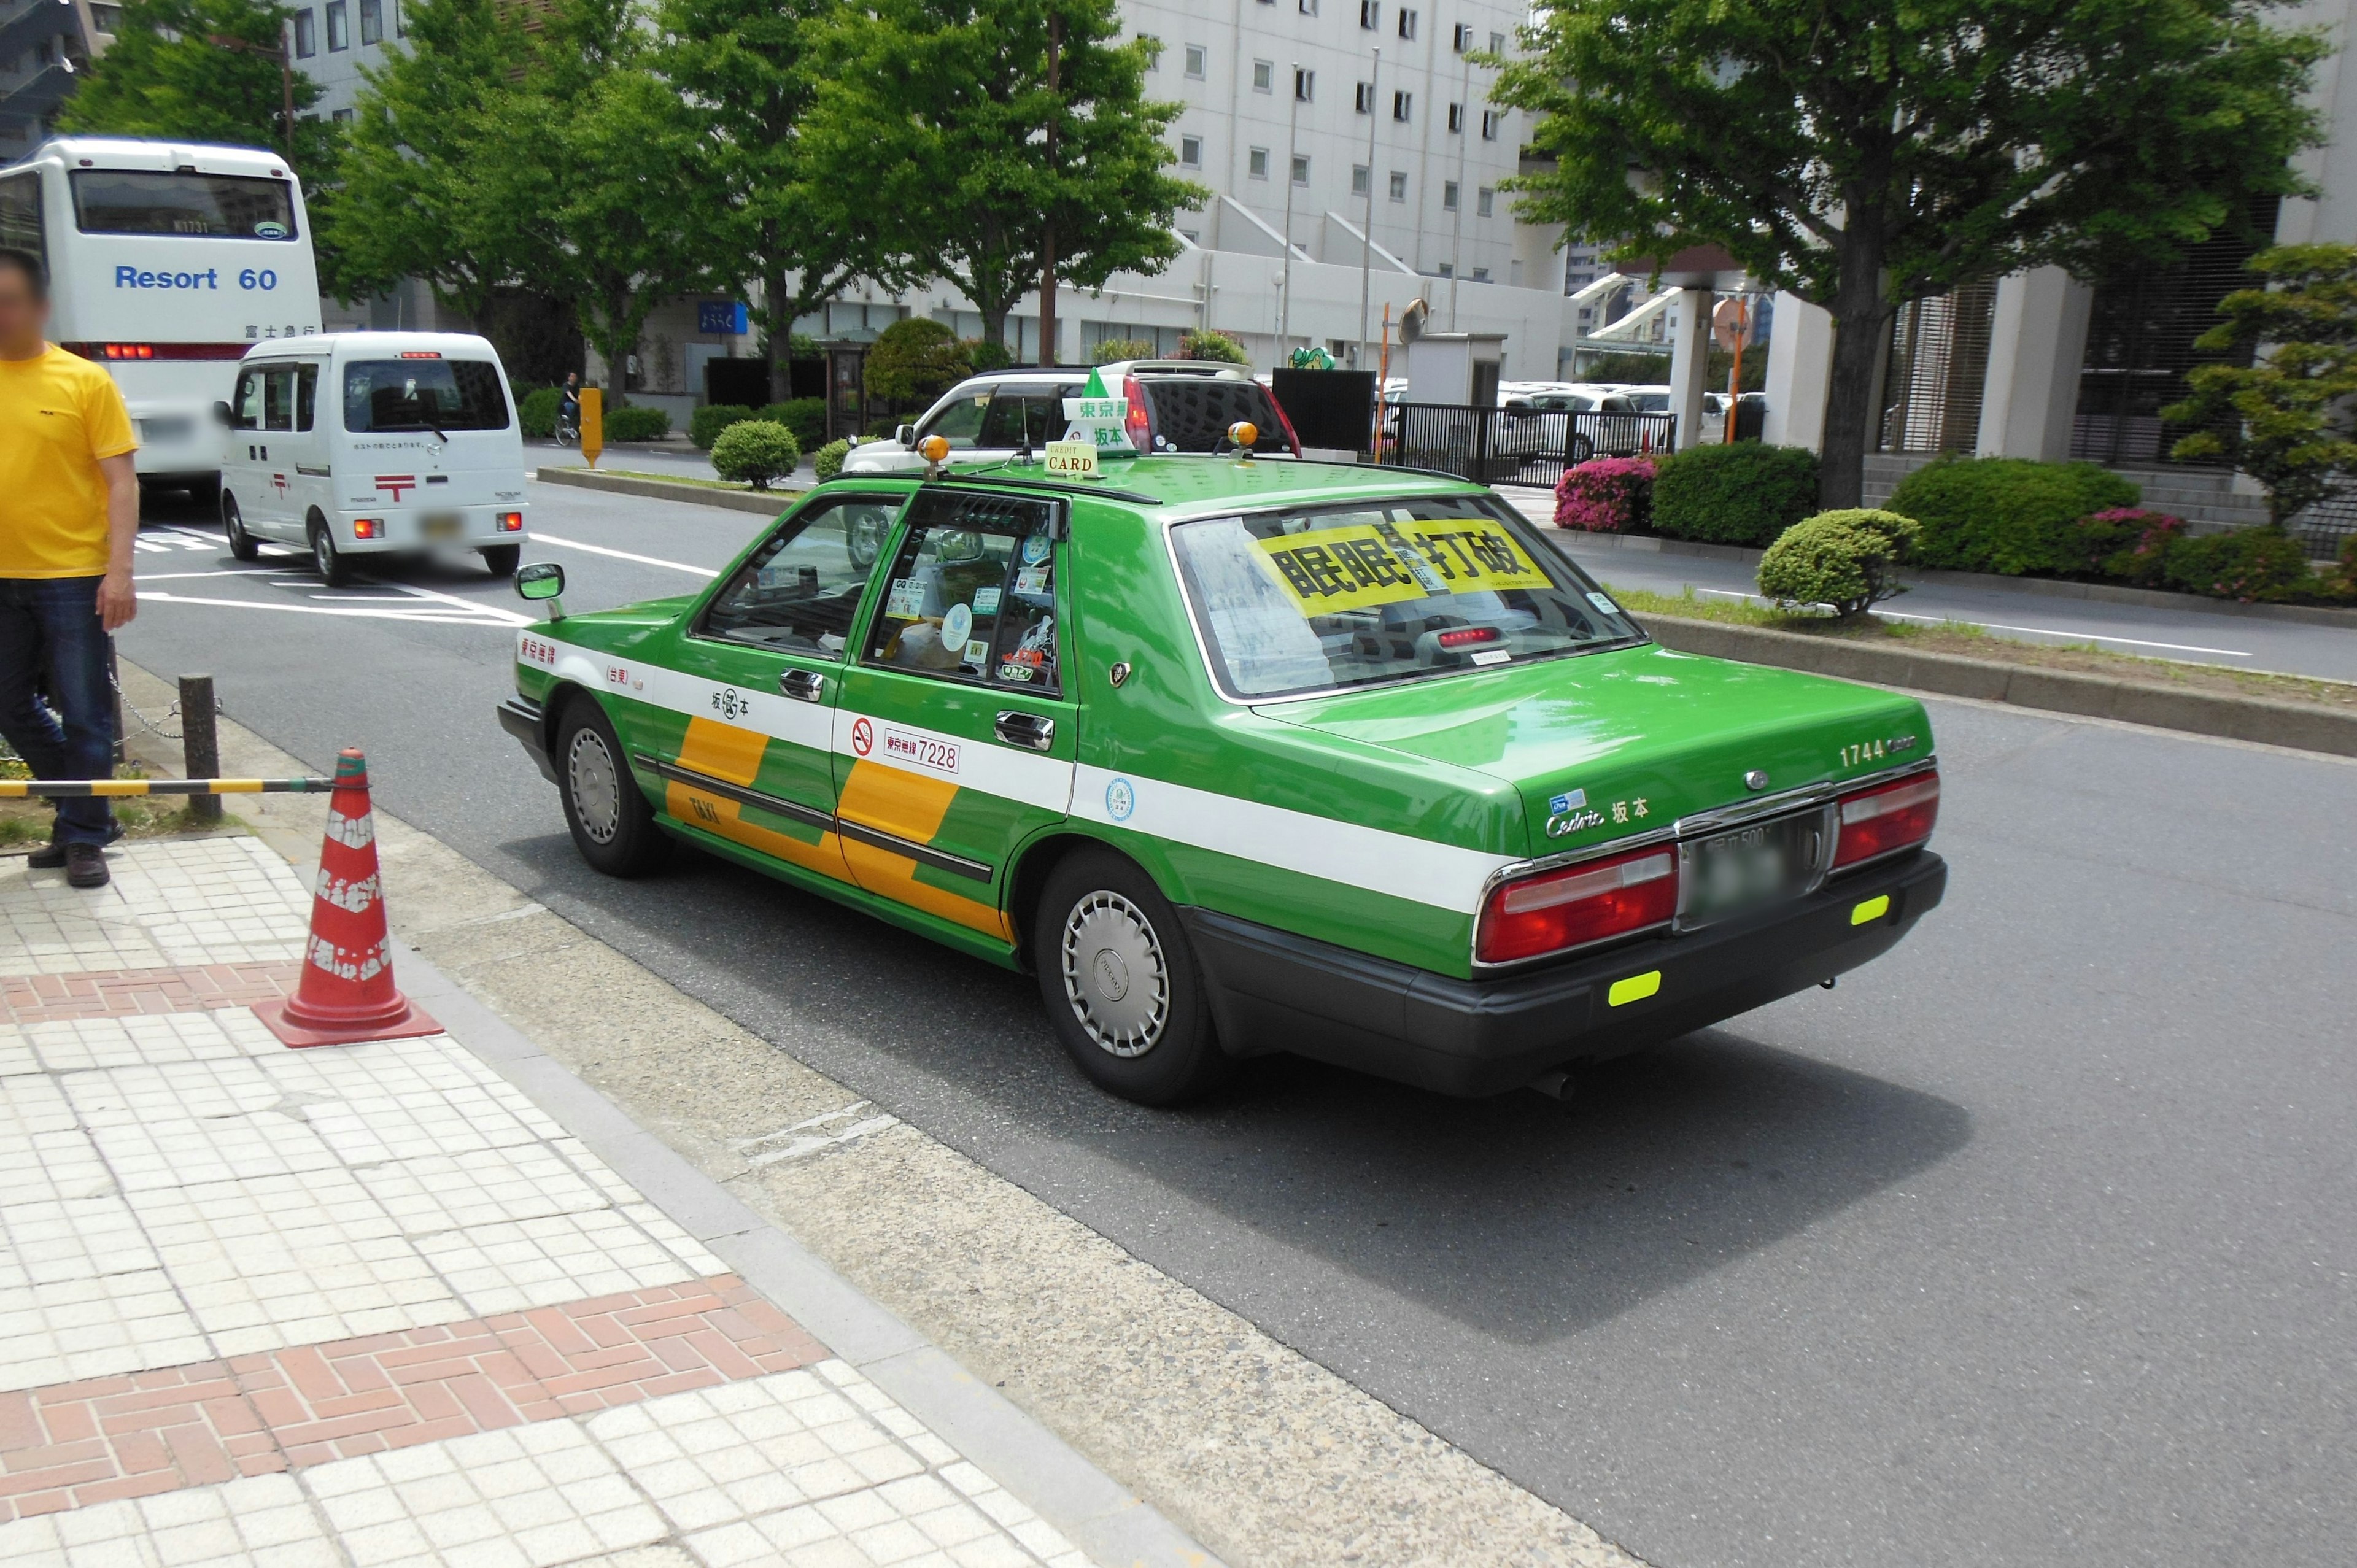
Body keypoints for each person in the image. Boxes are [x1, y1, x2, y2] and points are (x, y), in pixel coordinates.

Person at [0, 246, 140, 889]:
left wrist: (119, 572)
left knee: (85, 711)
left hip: (72, 574)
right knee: (9, 704)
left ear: (40, 306)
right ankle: (87, 808)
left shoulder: (84, 381)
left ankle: (83, 837)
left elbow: (121, 481)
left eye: (10, 301)